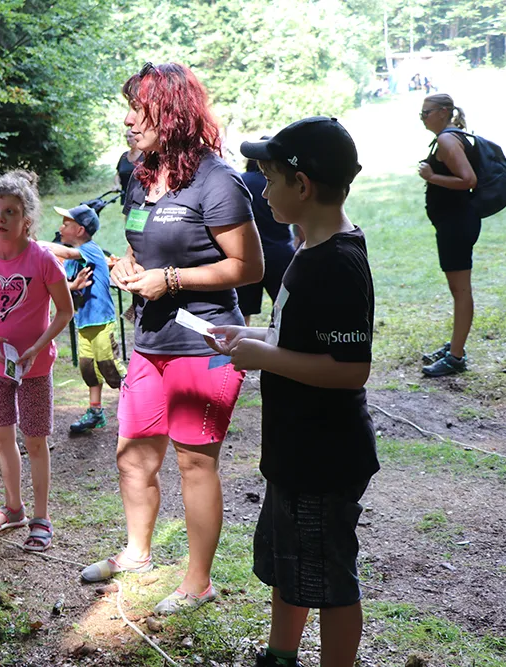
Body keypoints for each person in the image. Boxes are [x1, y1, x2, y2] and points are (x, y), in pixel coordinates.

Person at [80, 62, 263, 616]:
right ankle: (137, 554)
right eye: (129, 109)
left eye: (141, 109)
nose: (129, 121)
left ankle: (197, 581)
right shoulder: (136, 173)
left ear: (174, 113)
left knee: (193, 463)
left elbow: (248, 266)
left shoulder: (217, 179)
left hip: (205, 343)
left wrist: (174, 280)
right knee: (133, 455)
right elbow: (145, 246)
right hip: (150, 341)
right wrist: (128, 267)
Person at [210, 117, 379, 667]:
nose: (263, 190)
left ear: (302, 187)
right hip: (296, 451)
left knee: (328, 578)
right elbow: (296, 338)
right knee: (291, 564)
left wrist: (265, 357)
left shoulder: (337, 262)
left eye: (270, 178)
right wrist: (252, 336)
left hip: (325, 456)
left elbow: (351, 369)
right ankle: (280, 655)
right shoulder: (310, 249)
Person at [0, 170, 73, 552]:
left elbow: (64, 311)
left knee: (35, 440)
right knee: (1, 437)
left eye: (9, 211)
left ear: (27, 218)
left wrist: (37, 348)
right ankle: (13, 508)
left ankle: (41, 518)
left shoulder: (42, 259)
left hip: (34, 369)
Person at [40, 204, 126, 433]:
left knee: (110, 366)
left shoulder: (92, 250)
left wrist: (33, 244)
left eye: (66, 224)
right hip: (84, 322)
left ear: (79, 230)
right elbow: (63, 286)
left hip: (101, 320)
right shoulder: (70, 262)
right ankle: (95, 412)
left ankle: (136, 405)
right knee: (88, 369)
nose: (61, 227)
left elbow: (66, 252)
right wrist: (73, 285)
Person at [417, 94, 479, 376]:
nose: (423, 118)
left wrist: (431, 177)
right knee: (458, 290)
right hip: (454, 223)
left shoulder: (447, 140)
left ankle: (456, 357)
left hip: (456, 224)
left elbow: (468, 180)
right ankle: (456, 344)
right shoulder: (449, 137)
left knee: (461, 290)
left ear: (443, 112)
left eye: (426, 113)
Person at [237, 147, 296, 324]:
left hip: (246, 254)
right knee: (288, 310)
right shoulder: (282, 181)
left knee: (242, 312)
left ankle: (241, 343)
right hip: (280, 252)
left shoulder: (240, 181)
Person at [115, 127, 144, 205]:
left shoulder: (145, 155)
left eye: (130, 136)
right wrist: (117, 185)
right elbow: (118, 174)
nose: (128, 139)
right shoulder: (124, 156)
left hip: (142, 198)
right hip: (126, 197)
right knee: (127, 217)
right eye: (126, 137)